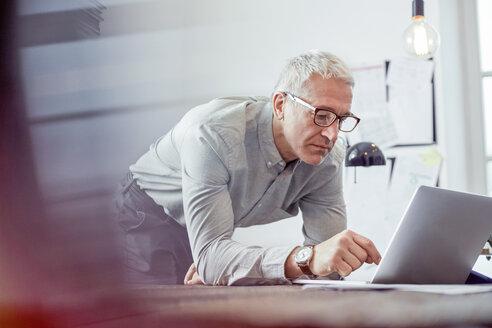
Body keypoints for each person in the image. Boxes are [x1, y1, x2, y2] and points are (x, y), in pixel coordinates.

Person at [115, 50, 381, 286]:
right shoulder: (212, 133)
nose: (332, 134)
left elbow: (325, 266)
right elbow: (214, 259)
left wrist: (327, 261)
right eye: (321, 115)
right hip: (148, 207)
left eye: (342, 119)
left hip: (206, 226)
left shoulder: (328, 158)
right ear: (280, 105)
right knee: (156, 309)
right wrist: (304, 259)